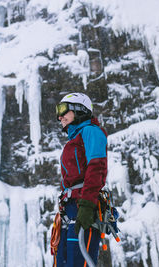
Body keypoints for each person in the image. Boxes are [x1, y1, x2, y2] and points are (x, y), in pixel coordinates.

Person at [53, 92, 107, 267]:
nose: (59, 116)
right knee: (61, 261)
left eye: (63, 110)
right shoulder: (72, 142)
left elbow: (97, 167)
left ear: (79, 109)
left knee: (77, 262)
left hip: (84, 205)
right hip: (70, 207)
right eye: (57, 111)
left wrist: (87, 204)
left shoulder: (91, 132)